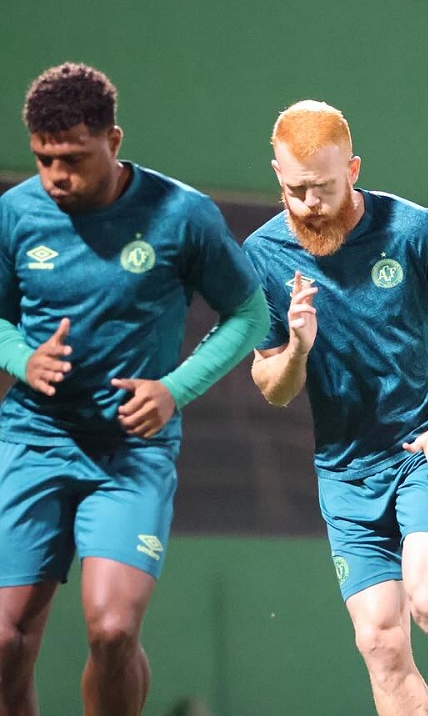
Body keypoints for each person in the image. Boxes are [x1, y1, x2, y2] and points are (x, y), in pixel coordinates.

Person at [0, 62, 268, 715]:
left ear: (114, 142)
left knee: (113, 631)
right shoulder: (16, 213)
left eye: (73, 158)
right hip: (34, 438)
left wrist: (175, 388)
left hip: (130, 454)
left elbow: (250, 315)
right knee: (4, 641)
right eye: (43, 159)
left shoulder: (181, 215)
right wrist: (21, 355)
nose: (56, 175)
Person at [242, 100, 428, 716]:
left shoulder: (412, 229)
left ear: (354, 168)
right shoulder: (262, 257)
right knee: (380, 642)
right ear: (277, 175)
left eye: (324, 187)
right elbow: (273, 386)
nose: (310, 203)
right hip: (345, 471)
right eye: (295, 190)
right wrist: (296, 348)